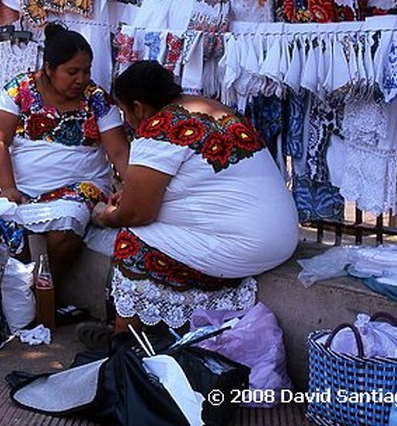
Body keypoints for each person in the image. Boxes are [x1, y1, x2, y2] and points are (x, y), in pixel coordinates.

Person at [95, 60, 299, 335]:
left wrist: (106, 217)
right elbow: (196, 184)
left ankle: (125, 340)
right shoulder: (211, 108)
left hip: (246, 248)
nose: (127, 121)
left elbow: (137, 214)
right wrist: (133, 196)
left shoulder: (158, 128)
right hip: (284, 239)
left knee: (131, 241)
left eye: (124, 112)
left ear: (138, 107)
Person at [0, 23, 129, 290]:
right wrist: (8, 187)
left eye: (86, 71)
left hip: (82, 186)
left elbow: (119, 151)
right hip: (26, 187)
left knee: (67, 224)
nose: (81, 79)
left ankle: (44, 291)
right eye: (72, 72)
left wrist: (131, 187)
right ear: (49, 69)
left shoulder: (97, 99)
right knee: (3, 226)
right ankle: (27, 291)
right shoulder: (20, 90)